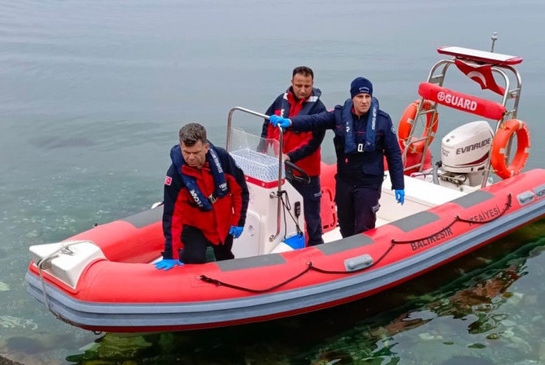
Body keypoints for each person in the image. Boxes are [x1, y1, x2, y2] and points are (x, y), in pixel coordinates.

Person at [269, 77, 404, 238]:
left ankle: (364, 257)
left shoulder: (383, 121)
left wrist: (398, 184)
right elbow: (314, 120)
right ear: (352, 97)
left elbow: (394, 154)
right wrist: (291, 122)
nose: (364, 101)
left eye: (367, 97)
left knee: (364, 227)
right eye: (360, 97)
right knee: (345, 226)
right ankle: (347, 255)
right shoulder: (339, 115)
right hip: (345, 181)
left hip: (368, 183)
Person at [156, 123, 249, 270]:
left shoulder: (222, 159)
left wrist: (239, 221)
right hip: (194, 225)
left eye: (196, 152)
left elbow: (240, 190)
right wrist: (170, 254)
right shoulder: (175, 176)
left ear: (206, 147)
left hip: (223, 222)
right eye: (186, 152)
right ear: (180, 146)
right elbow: (171, 217)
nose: (191, 158)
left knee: (225, 258)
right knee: (194, 259)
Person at [259, 66, 327, 246]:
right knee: (281, 207)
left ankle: (316, 243)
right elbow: (267, 122)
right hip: (280, 168)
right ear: (291, 83)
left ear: (313, 84)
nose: (303, 90)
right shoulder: (280, 101)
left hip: (306, 171)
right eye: (299, 85)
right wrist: (263, 148)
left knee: (311, 213)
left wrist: (290, 156)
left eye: (307, 85)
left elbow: (313, 142)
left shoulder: (318, 108)